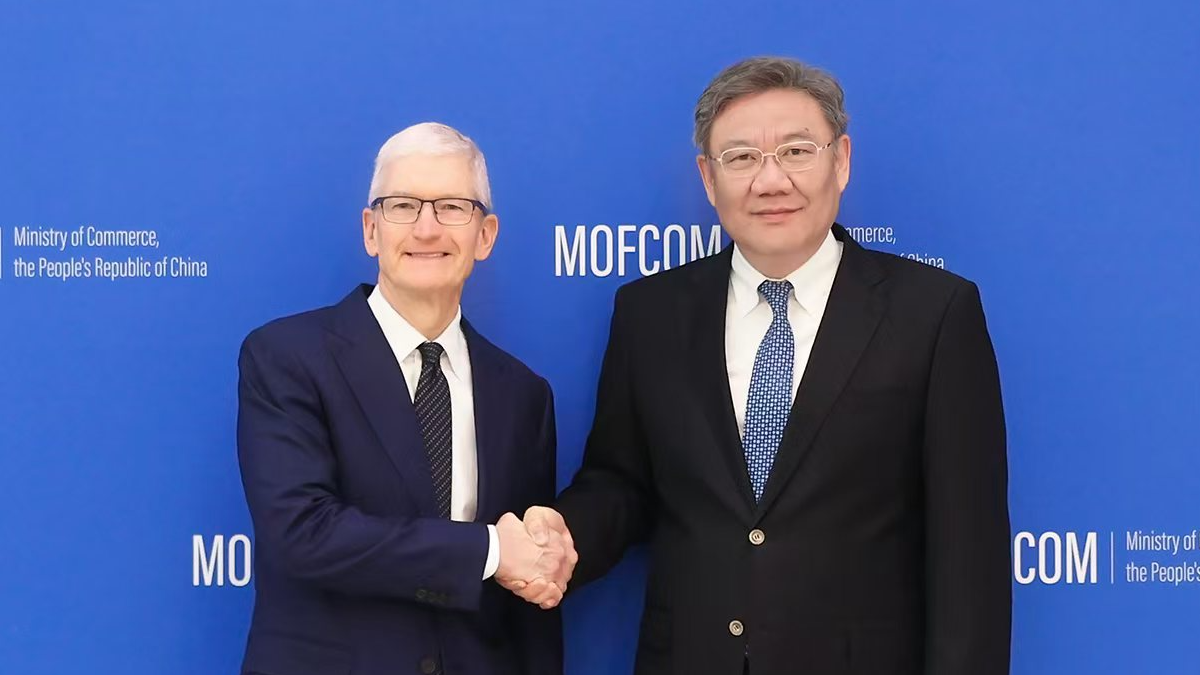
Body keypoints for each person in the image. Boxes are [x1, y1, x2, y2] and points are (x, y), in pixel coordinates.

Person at [507, 57, 1011, 674]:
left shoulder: (933, 314)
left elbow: (969, 554)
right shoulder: (650, 314)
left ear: (842, 160)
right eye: (741, 158)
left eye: (797, 152)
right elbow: (623, 482)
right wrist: (563, 536)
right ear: (708, 179)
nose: (770, 182)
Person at [236, 122, 571, 675]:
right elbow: (302, 533)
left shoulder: (523, 394)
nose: (426, 227)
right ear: (371, 230)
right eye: (402, 206)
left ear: (485, 236)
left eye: (452, 207)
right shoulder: (286, 357)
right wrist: (489, 551)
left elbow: (527, 605)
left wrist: (535, 558)